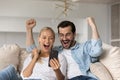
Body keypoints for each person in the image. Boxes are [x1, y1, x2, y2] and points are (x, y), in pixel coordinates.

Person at [23, 17, 103, 80]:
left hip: (85, 77)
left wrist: (93, 26)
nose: (64, 38)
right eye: (61, 35)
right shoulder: (56, 51)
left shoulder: (83, 47)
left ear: (74, 34)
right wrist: (29, 29)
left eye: (68, 34)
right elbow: (32, 49)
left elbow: (96, 51)